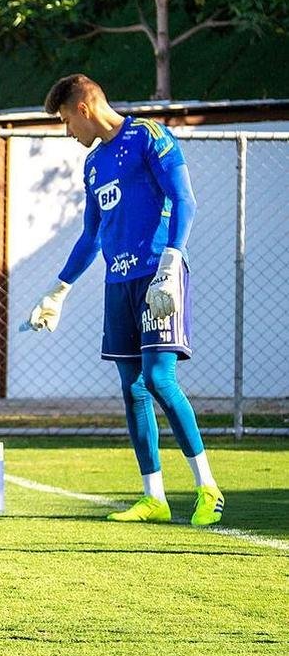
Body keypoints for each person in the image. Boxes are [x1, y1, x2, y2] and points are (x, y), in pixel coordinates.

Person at [26, 73, 223, 527]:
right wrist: (59, 289)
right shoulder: (93, 166)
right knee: (132, 388)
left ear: (83, 108)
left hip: (159, 275)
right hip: (119, 283)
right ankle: (153, 496)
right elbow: (90, 236)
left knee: (158, 379)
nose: (67, 133)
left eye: (64, 122)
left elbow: (184, 199)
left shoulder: (150, 136)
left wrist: (172, 262)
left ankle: (208, 488)